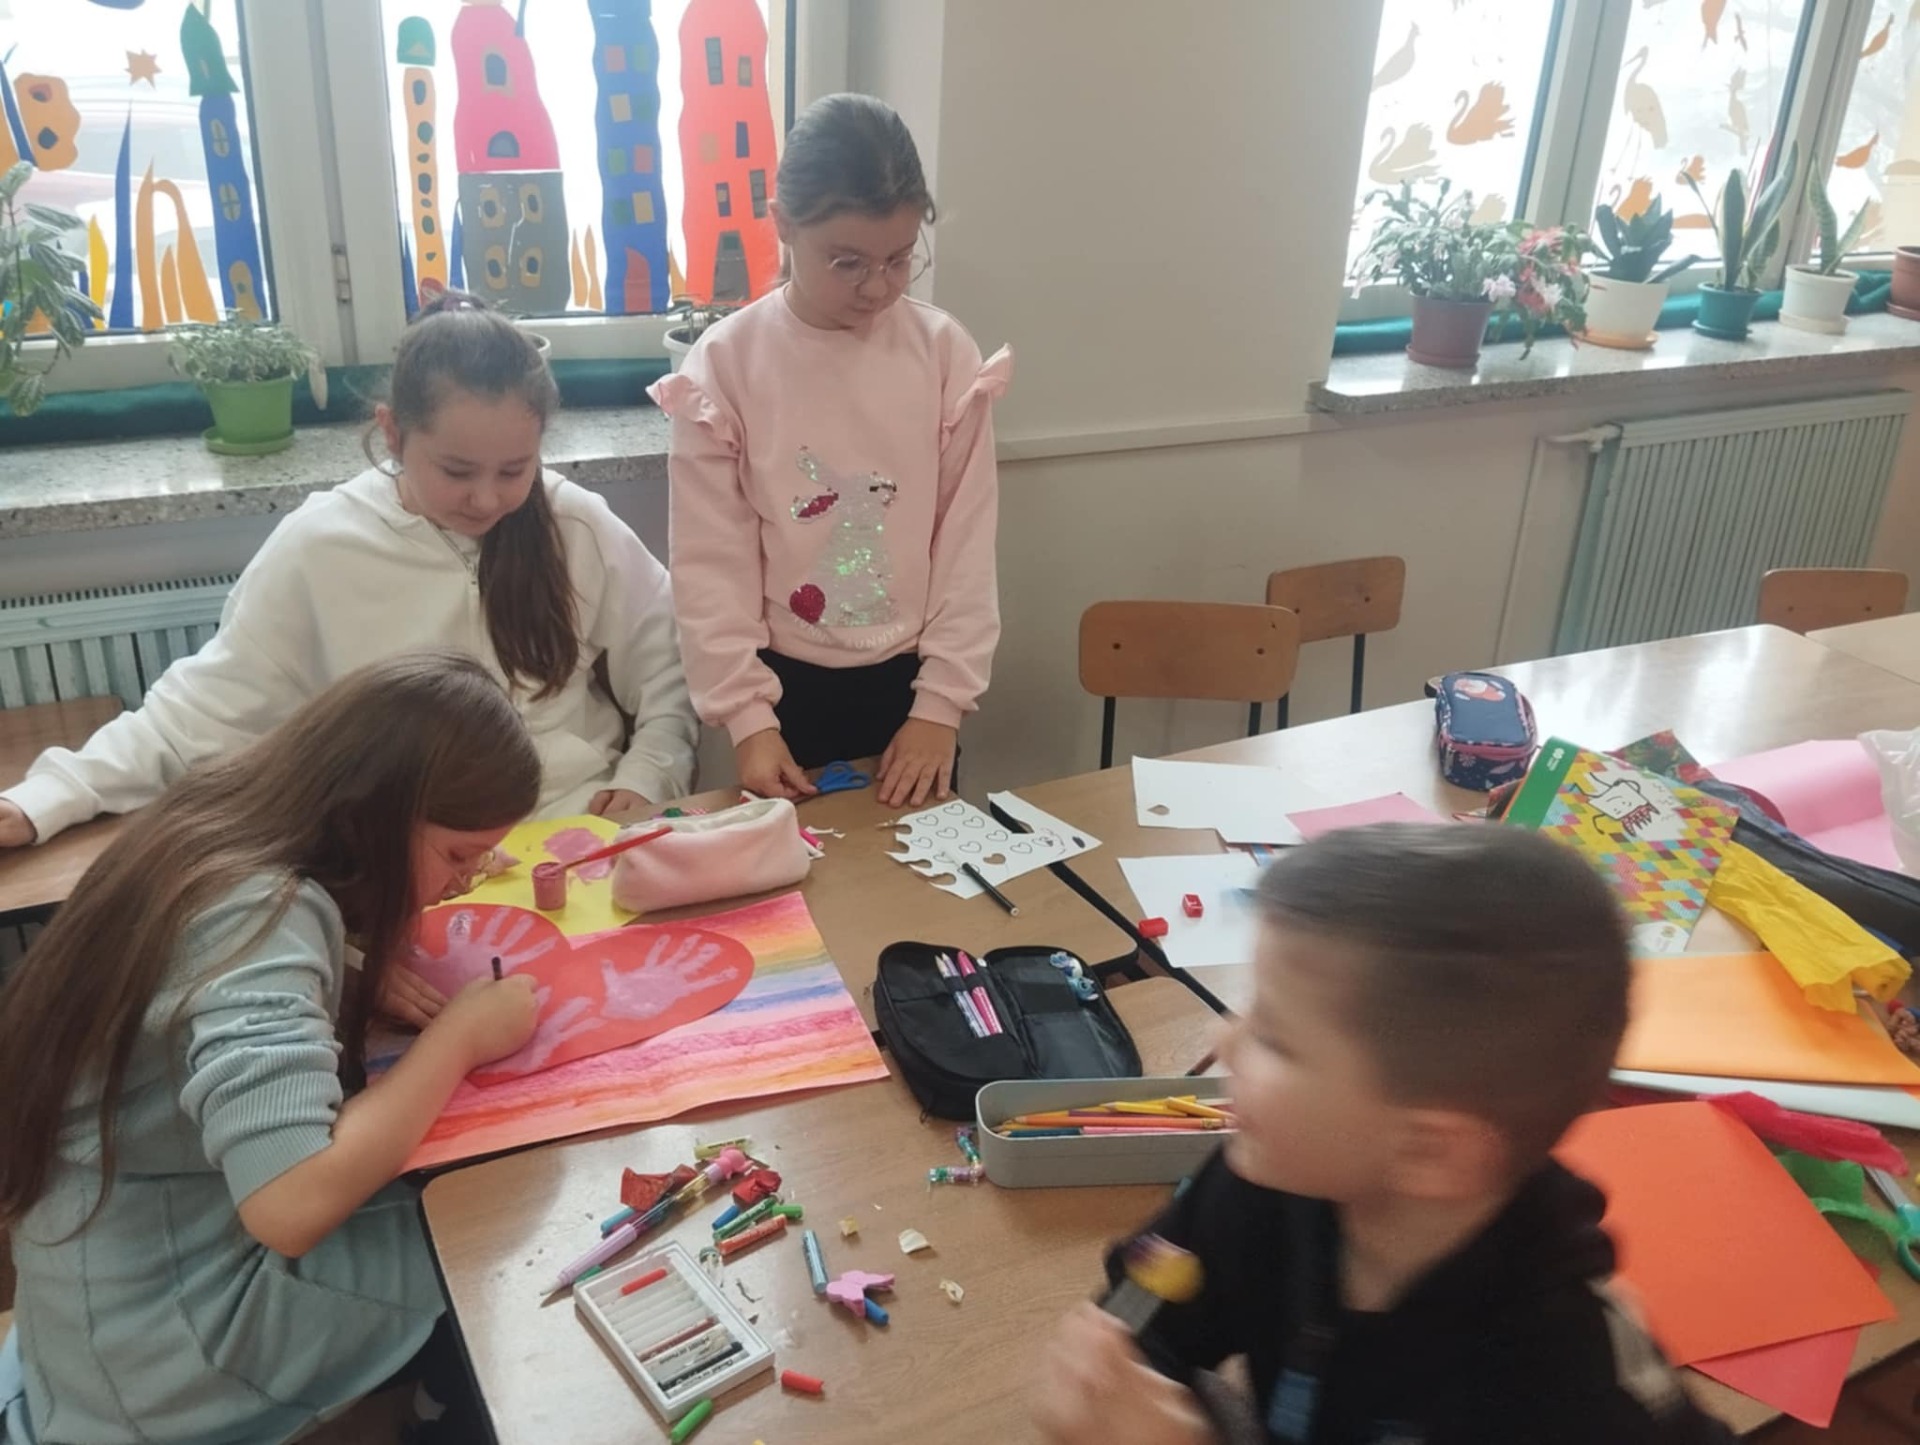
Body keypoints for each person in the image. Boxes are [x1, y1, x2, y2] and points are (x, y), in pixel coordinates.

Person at [1033, 824, 1737, 1445]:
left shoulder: (1564, 1392)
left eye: (1276, 1038)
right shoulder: (1267, 1179)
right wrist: (1115, 1365)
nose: (1225, 1044)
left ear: (1429, 1150)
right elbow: (1150, 1298)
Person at [0, 651, 543, 1445]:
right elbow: (291, 1202)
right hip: (167, 1344)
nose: (464, 882)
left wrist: (348, 971)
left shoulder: (218, 815)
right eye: (459, 855)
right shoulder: (259, 909)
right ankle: (441, 1417)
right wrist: (460, 1038)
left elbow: (196, 1000)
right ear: (379, 810)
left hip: (106, 1279)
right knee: (487, 1225)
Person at [0, 290, 696, 853]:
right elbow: (191, 719)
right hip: (408, 865)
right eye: (457, 471)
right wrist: (46, 798)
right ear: (393, 434)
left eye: (514, 470)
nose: (487, 500)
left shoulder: (575, 523)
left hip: (578, 838)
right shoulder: (319, 546)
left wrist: (648, 773)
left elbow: (668, 664)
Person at [653, 93, 1009, 808]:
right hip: (782, 692)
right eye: (847, 262)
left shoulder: (942, 353)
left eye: (900, 259)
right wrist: (749, 719)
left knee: (917, 865)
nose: (877, 287)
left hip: (913, 687)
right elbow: (710, 567)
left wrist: (941, 705)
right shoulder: (727, 365)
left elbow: (966, 546)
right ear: (783, 224)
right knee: (800, 874)